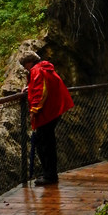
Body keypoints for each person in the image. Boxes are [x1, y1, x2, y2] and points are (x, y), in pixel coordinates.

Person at [20, 51, 74, 186]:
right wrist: (30, 87)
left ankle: (49, 176)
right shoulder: (44, 68)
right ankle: (49, 174)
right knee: (46, 142)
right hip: (54, 110)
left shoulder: (37, 70)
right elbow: (41, 85)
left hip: (47, 113)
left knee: (44, 144)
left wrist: (34, 110)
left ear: (28, 63)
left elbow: (40, 91)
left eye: (24, 66)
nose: (25, 69)